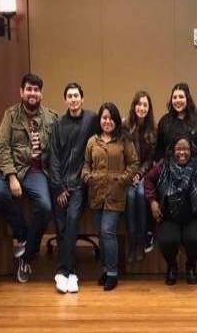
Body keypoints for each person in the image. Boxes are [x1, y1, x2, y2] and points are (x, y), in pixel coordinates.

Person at [0, 73, 58, 283]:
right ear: (21, 92)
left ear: (41, 94)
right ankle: (23, 236)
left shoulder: (51, 117)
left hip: (37, 171)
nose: (32, 93)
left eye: (36, 90)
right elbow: (1, 148)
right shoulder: (10, 115)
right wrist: (11, 176)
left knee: (45, 206)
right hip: (14, 167)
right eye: (29, 89)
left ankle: (27, 255)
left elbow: (57, 149)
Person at [81, 102, 139, 291]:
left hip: (116, 193)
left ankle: (113, 273)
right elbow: (86, 164)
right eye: (104, 118)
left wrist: (122, 180)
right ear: (100, 120)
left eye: (111, 118)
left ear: (116, 120)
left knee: (108, 232)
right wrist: (87, 177)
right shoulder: (92, 141)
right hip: (96, 193)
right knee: (101, 234)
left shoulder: (124, 140)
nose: (107, 121)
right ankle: (105, 270)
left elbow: (133, 164)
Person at [145, 135, 197, 285]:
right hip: (169, 217)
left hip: (193, 217)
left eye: (186, 149)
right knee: (167, 241)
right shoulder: (163, 165)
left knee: (196, 240)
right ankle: (172, 266)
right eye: (178, 149)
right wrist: (152, 201)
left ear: (191, 150)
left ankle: (191, 266)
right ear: (172, 150)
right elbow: (149, 180)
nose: (182, 152)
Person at [48, 82, 98, 294]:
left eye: (76, 95)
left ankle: (65, 272)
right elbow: (54, 158)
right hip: (60, 185)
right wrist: (59, 187)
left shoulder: (92, 120)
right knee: (60, 227)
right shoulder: (58, 125)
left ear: (82, 98)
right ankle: (67, 273)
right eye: (69, 96)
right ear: (65, 100)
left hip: (79, 184)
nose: (73, 99)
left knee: (71, 221)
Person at [153, 82, 197, 253]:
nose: (178, 100)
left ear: (187, 99)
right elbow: (159, 150)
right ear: (171, 100)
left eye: (181, 97)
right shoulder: (165, 122)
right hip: (170, 175)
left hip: (194, 173)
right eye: (175, 97)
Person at [122, 91, 156, 262]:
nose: (141, 108)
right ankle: (132, 242)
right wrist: (131, 174)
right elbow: (121, 154)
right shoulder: (124, 126)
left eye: (145, 105)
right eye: (139, 104)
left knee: (142, 195)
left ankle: (141, 242)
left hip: (144, 173)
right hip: (127, 173)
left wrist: (140, 173)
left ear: (149, 109)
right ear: (134, 105)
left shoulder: (152, 130)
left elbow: (151, 159)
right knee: (129, 195)